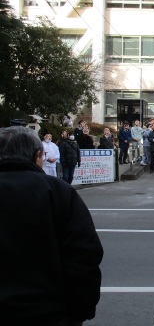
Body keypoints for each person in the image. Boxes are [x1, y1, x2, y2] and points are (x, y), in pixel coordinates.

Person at [0, 126, 103, 325]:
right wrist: (81, 310)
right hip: (48, 311)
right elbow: (84, 255)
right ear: (37, 155)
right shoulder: (57, 191)